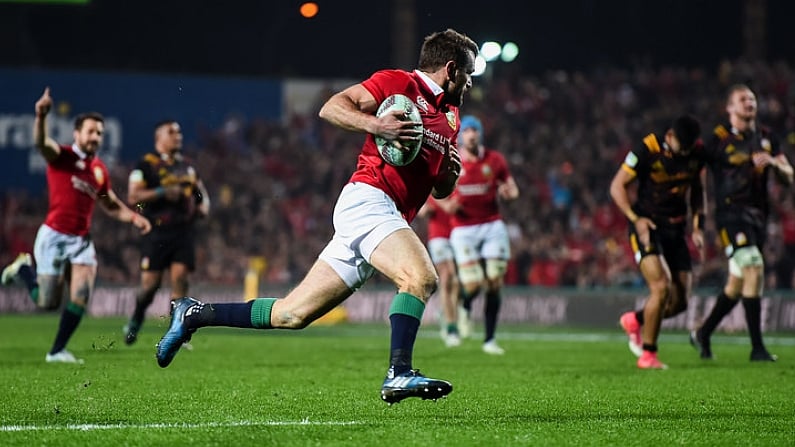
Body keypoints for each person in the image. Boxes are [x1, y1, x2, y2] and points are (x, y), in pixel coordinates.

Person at [154, 29, 478, 404]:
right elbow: (332, 107)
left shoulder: (451, 116)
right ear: (450, 69)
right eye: (467, 75)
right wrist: (376, 124)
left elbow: (439, 190)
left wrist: (449, 176)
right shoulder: (398, 84)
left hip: (389, 215)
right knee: (420, 277)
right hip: (369, 199)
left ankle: (194, 313)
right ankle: (399, 372)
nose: (469, 84)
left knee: (292, 314)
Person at [0, 87, 151, 364]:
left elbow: (110, 203)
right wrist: (41, 116)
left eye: (100, 133)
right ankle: (23, 268)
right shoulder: (63, 157)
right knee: (47, 302)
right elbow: (42, 144)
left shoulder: (99, 170)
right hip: (54, 236)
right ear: (77, 133)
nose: (96, 137)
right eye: (91, 131)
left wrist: (134, 217)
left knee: (81, 294)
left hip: (81, 240)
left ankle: (56, 351)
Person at [690, 84, 793, 361]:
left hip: (759, 216)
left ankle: (703, 333)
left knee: (737, 283)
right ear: (730, 108)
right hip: (730, 216)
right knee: (754, 265)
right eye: (742, 99)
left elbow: (789, 175)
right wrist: (699, 218)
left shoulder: (768, 138)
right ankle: (757, 348)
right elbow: (696, 173)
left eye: (752, 98)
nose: (749, 102)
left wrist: (773, 163)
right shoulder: (718, 140)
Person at [610, 115, 706, 369]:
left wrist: (698, 226)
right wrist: (634, 218)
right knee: (661, 287)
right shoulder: (648, 148)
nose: (684, 152)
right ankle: (648, 355)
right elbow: (617, 186)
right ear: (670, 137)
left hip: (676, 228)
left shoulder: (696, 152)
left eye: (689, 148)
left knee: (680, 301)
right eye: (681, 147)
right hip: (648, 225)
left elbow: (698, 189)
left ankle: (636, 319)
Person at [122, 120, 210, 345]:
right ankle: (136, 317)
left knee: (180, 279)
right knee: (150, 287)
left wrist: (203, 207)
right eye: (172, 132)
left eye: (179, 132)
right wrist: (162, 192)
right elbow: (133, 197)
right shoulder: (146, 165)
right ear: (158, 137)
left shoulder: (188, 167)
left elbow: (201, 194)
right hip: (157, 232)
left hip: (183, 232)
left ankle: (176, 331)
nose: (178, 136)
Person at [448, 115, 519, 355]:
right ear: (461, 136)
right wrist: (448, 205)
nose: (471, 134)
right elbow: (438, 194)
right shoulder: (452, 161)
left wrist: (510, 192)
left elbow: (512, 189)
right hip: (463, 229)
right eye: (467, 130)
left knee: (495, 282)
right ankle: (465, 304)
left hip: (491, 226)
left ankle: (489, 339)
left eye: (474, 130)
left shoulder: (495, 160)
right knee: (474, 284)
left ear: (480, 134)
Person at [417, 197, 460, 347]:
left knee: (457, 283)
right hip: (439, 237)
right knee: (447, 276)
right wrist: (426, 210)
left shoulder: (457, 188)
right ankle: (451, 329)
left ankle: (444, 311)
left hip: (459, 236)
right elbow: (422, 211)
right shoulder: (432, 191)